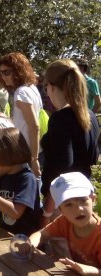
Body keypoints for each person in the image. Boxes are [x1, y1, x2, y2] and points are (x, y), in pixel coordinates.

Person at [40, 59, 99, 224]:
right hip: (84, 199)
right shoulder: (91, 116)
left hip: (63, 204)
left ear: (51, 86)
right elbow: (93, 157)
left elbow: (62, 170)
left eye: (46, 88)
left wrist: (47, 212)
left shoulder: (60, 119)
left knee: (58, 249)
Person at [28, 172, 101, 275]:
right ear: (60, 210)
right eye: (69, 204)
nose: (78, 209)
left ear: (93, 200)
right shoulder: (65, 222)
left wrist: (93, 271)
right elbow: (42, 234)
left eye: (83, 200)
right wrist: (29, 244)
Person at [0, 52, 43, 178]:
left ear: (18, 71)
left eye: (7, 72)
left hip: (26, 154)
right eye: (1, 73)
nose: (3, 76)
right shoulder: (32, 88)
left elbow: (34, 126)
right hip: (30, 151)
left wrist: (34, 159)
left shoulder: (21, 92)